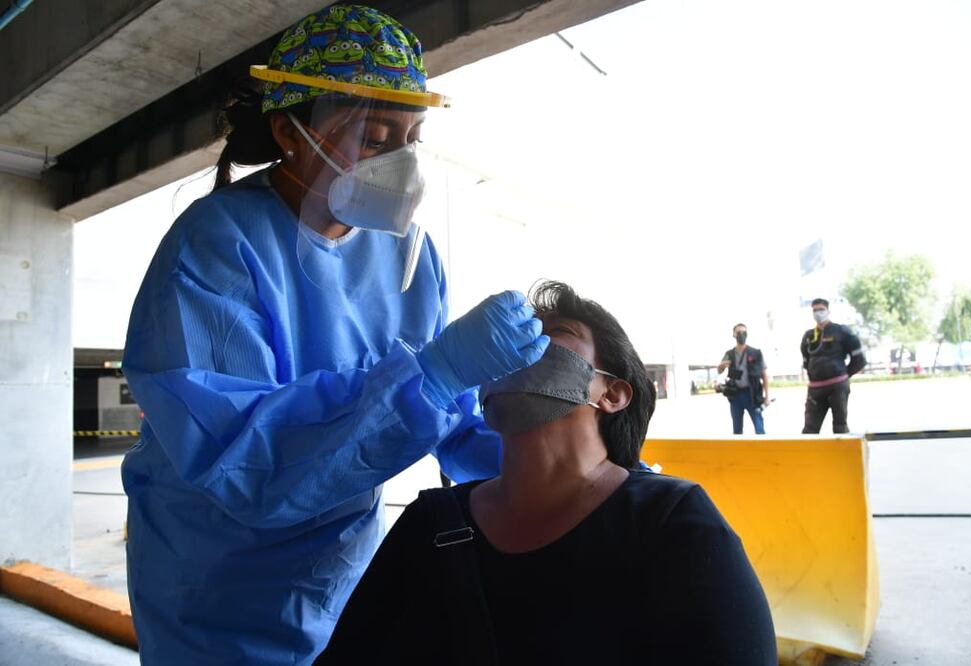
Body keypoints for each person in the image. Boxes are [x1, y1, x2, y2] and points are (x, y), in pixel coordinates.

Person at [120, 6, 549, 664]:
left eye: (411, 138)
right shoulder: (216, 244)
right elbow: (242, 461)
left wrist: (554, 461)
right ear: (290, 132)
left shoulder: (409, 256)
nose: (401, 163)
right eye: (374, 137)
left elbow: (450, 422)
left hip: (341, 573)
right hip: (215, 585)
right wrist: (431, 377)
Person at [319, 282, 777, 665]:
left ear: (613, 394)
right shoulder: (431, 523)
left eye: (555, 331)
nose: (522, 344)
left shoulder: (673, 523)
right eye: (515, 334)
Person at [800, 298, 866, 433]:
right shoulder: (808, 336)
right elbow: (806, 362)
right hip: (815, 389)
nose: (818, 313)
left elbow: (859, 360)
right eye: (815, 310)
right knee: (809, 430)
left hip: (837, 387)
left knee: (840, 427)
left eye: (821, 309)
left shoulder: (842, 331)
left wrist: (843, 375)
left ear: (828, 311)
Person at [718, 323, 770, 434]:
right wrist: (720, 367)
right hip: (735, 395)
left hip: (752, 395)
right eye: (738, 332)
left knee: (759, 428)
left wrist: (767, 396)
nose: (741, 334)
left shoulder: (756, 353)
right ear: (733, 334)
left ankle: (763, 445)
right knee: (737, 430)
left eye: (744, 332)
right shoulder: (729, 354)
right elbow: (720, 371)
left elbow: (764, 375)